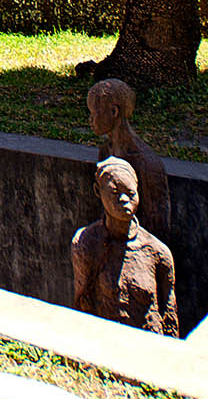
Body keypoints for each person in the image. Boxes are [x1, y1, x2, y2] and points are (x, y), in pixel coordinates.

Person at [71, 157, 179, 337]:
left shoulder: (158, 252)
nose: (123, 199)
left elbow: (170, 318)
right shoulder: (85, 243)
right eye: (114, 192)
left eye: (130, 193)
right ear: (98, 192)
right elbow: (82, 303)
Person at [86, 78, 170, 242]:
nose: (90, 119)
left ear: (114, 112)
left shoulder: (145, 162)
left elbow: (157, 224)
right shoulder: (106, 152)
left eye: (94, 112)